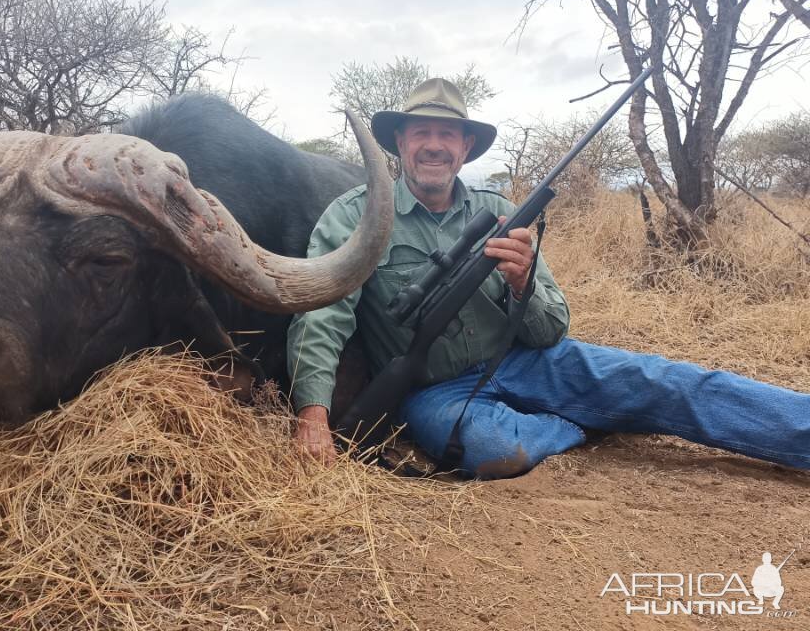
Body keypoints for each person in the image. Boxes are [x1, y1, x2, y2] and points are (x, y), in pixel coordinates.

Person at [286, 77, 810, 478]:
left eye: (447, 133)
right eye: (421, 131)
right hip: (433, 393)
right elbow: (321, 316)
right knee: (492, 449)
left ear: (465, 148)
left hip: (527, 363)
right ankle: (586, 422)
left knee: (670, 380)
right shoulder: (355, 215)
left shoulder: (501, 213)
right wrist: (312, 415)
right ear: (399, 142)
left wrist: (523, 284)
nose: (434, 145)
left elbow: (552, 331)